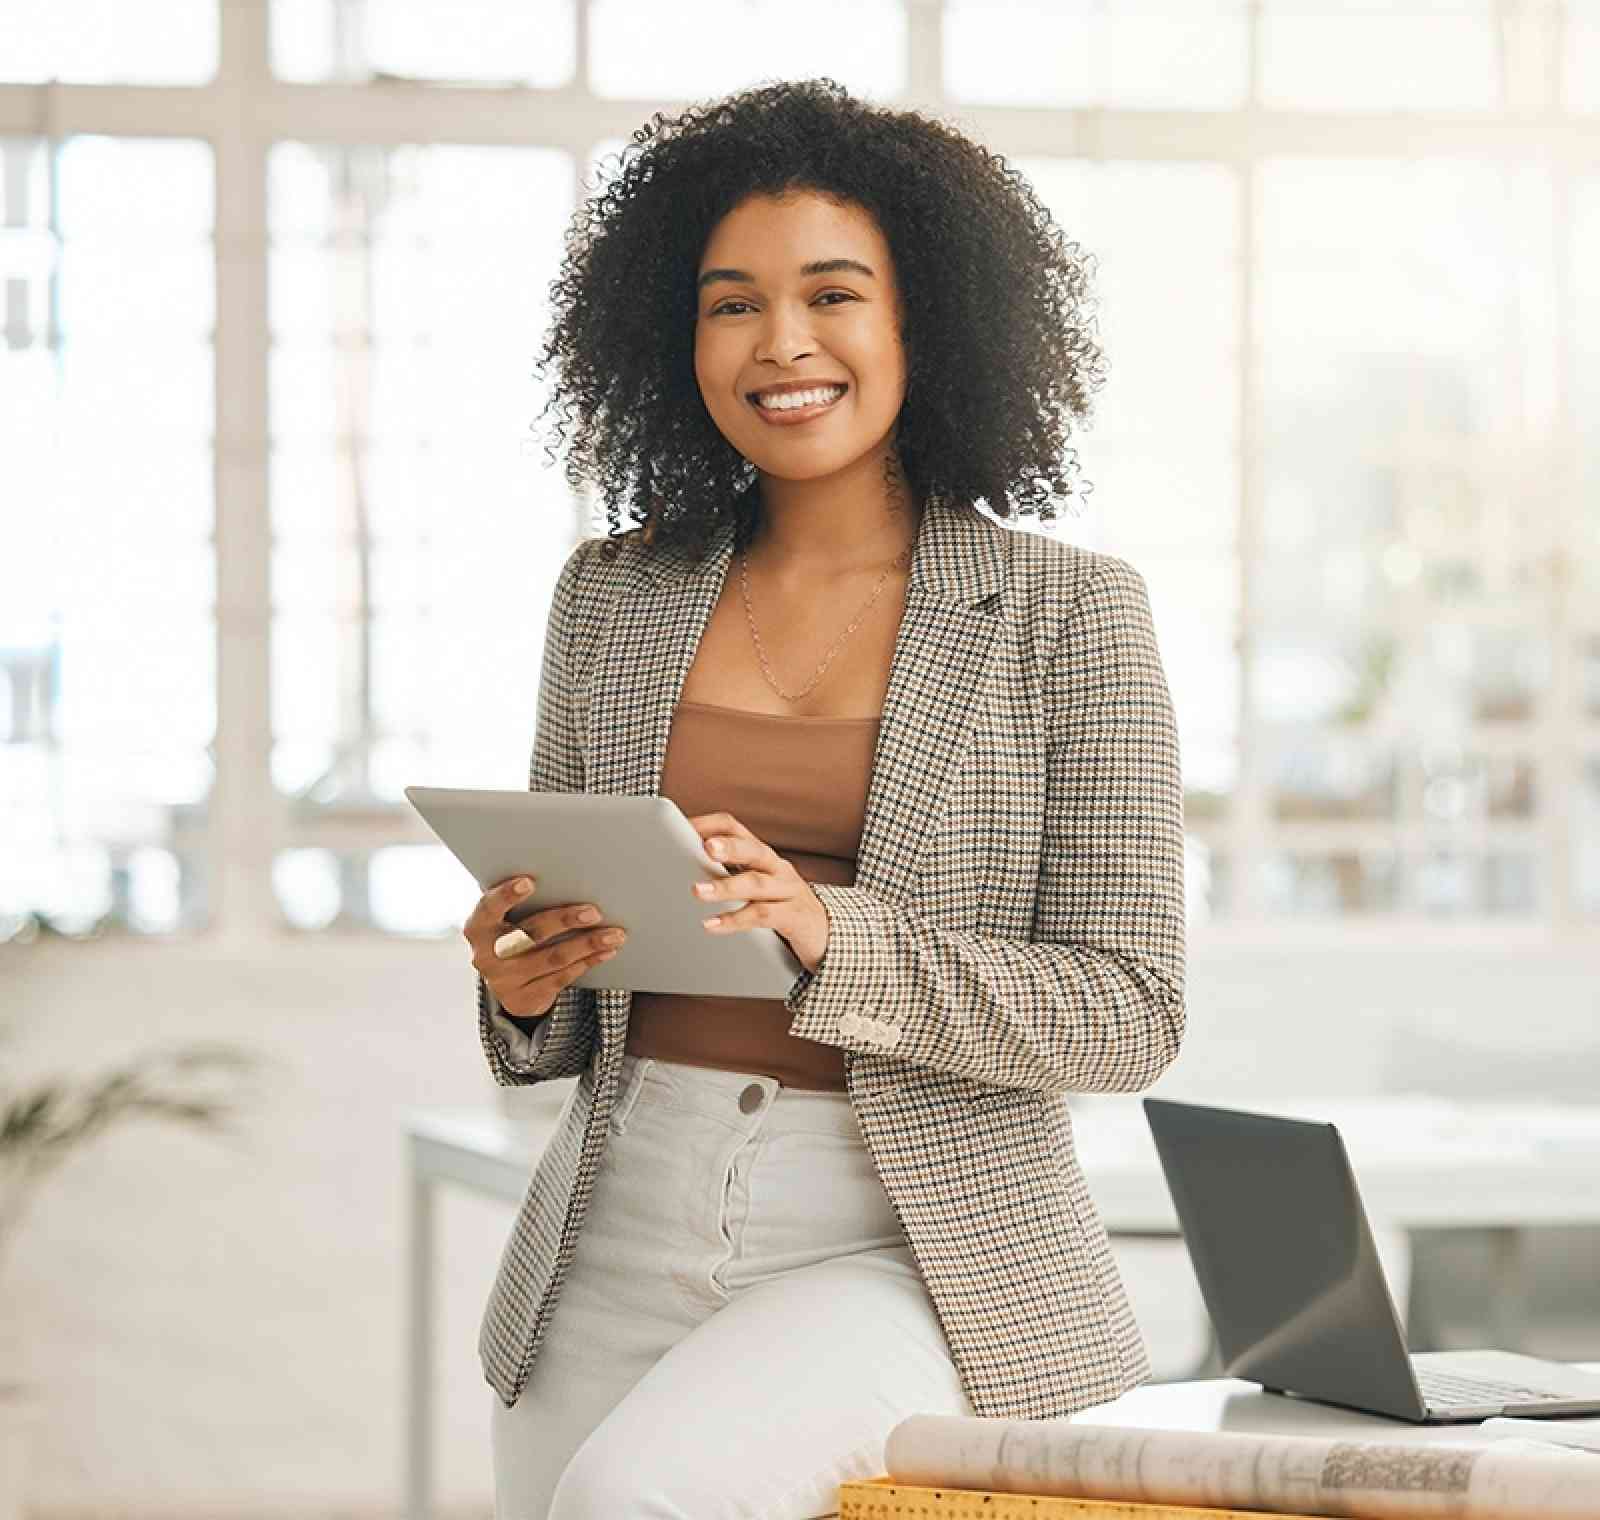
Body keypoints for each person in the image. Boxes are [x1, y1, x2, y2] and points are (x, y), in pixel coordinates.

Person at [460, 77, 1187, 1520]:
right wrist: (522, 981)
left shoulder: (1069, 614)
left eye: (834, 294)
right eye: (732, 303)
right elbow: (545, 1014)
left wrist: (827, 932)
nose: (781, 344)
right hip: (618, 1208)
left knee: (637, 1500)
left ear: (928, 319)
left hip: (902, 1234)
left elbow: (1132, 1009)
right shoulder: (609, 596)